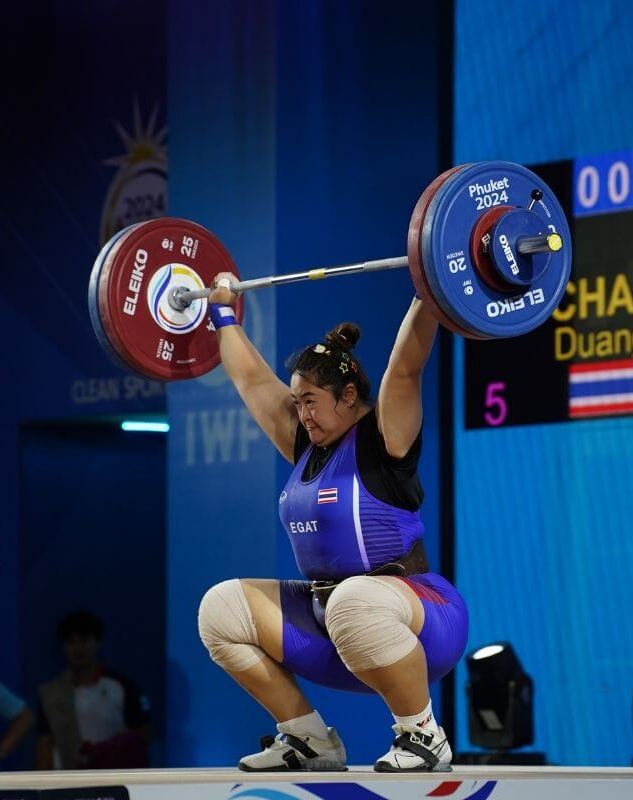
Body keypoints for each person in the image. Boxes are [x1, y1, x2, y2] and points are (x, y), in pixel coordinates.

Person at [197, 284, 468, 773]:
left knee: (353, 600)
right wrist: (220, 312)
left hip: (423, 620)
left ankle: (423, 734)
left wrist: (429, 288)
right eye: (297, 401)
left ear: (348, 396)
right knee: (221, 609)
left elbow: (406, 365)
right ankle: (308, 740)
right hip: (334, 625)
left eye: (310, 400)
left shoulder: (385, 437)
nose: (300, 413)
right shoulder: (307, 443)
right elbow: (251, 380)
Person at [35, 611, 150, 770]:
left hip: (114, 779)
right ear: (63, 647)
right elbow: (45, 745)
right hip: (68, 782)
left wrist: (107, 751)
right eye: (71, 642)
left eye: (84, 640)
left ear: (97, 643)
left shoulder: (122, 686)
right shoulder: (51, 694)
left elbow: (143, 737)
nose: (78, 648)